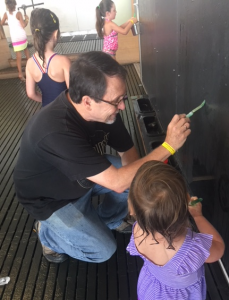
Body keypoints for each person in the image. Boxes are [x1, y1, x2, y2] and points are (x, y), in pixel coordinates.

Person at [13, 51, 191, 264]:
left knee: (132, 179)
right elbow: (116, 183)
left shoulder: (107, 111)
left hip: (81, 178)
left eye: (123, 99)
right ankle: (49, 235)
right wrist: (168, 146)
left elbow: (128, 153)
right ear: (87, 102)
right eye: (117, 101)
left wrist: (137, 196)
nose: (122, 107)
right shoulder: (55, 130)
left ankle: (109, 219)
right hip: (51, 199)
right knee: (103, 250)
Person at [127, 161, 225, 300]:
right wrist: (198, 216)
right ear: (186, 200)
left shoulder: (138, 229)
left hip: (151, 290)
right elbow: (218, 248)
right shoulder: (190, 249)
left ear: (134, 209)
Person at [26, 8, 71, 107]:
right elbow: (73, 94)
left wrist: (47, 100)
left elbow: (31, 94)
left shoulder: (30, 63)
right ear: (55, 34)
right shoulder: (63, 61)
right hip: (64, 112)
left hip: (46, 112)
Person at [1, 0, 29, 81]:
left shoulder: (6, 14)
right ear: (15, 4)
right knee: (26, 50)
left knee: (18, 56)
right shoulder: (18, 13)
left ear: (7, 5)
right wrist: (27, 19)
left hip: (15, 38)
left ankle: (20, 74)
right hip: (22, 36)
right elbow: (23, 25)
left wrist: (9, 23)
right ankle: (31, 68)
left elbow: (1, 23)